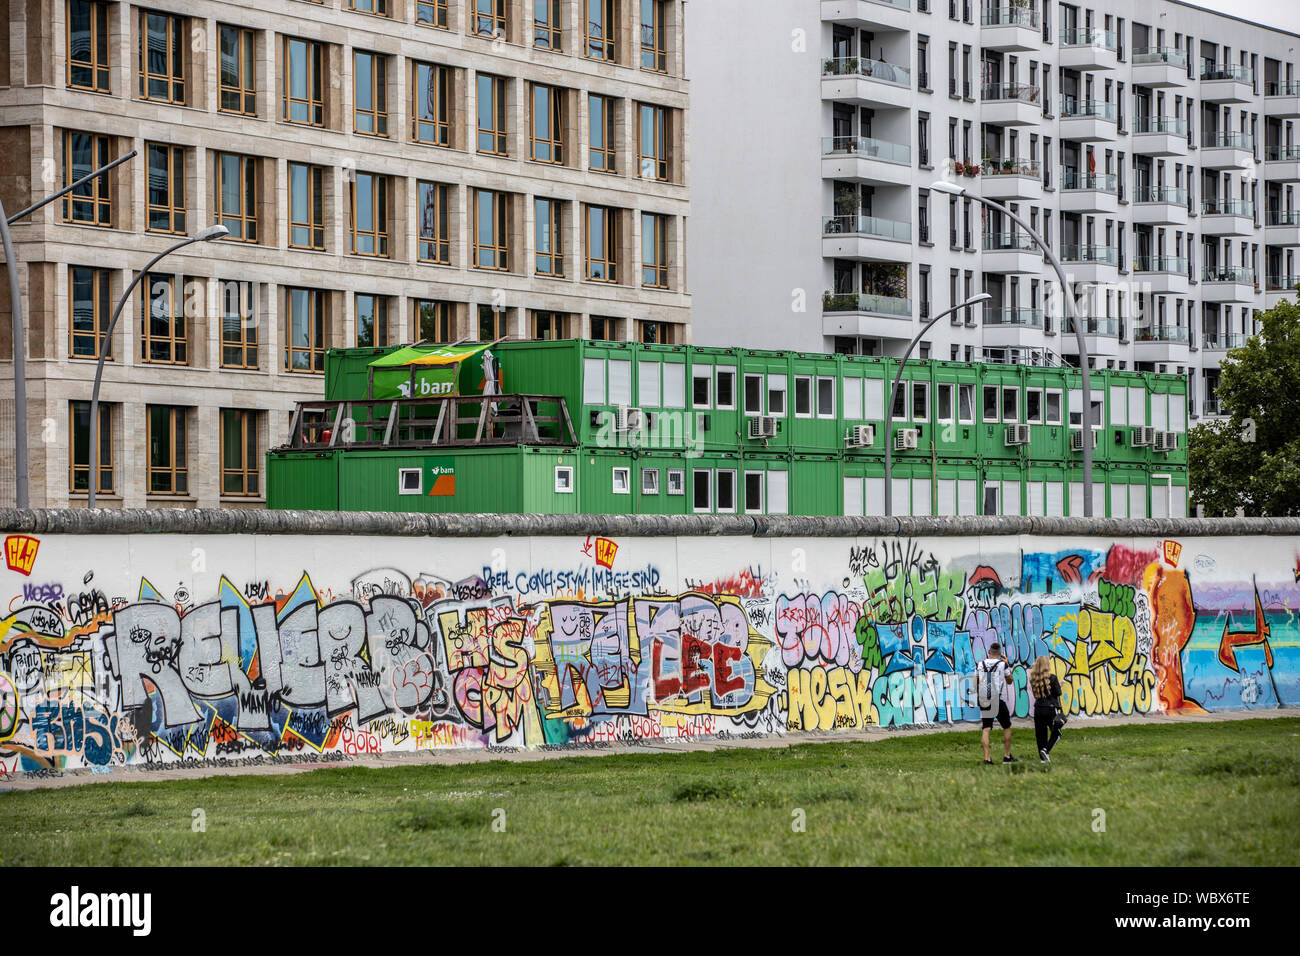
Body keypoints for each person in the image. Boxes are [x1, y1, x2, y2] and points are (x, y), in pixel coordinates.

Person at [976, 642, 1015, 764]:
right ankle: (1007, 757)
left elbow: (976, 680)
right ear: (999, 654)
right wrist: (1007, 664)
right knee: (1007, 727)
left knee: (986, 728)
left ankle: (987, 758)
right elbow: (1010, 681)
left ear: (989, 651)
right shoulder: (1002, 665)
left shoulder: (981, 664)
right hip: (996, 699)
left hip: (984, 698)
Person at [1030, 656, 1064, 762]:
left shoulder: (1034, 679)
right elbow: (1058, 693)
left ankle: (1043, 759)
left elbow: (1038, 694)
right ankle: (1046, 750)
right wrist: (1060, 685)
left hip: (1038, 709)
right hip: (1050, 708)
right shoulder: (1053, 678)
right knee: (1057, 732)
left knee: (1040, 735)